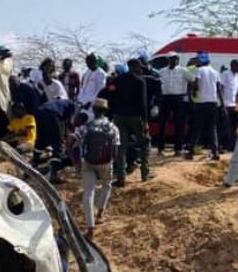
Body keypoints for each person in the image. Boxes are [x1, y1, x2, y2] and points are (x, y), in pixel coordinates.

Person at [74, 98, 120, 240]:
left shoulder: (87, 126)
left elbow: (73, 141)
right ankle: (100, 214)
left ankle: (90, 228)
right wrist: (112, 162)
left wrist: (76, 162)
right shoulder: (112, 127)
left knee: (88, 193)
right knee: (107, 184)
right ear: (106, 110)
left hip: (89, 162)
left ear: (93, 110)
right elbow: (116, 148)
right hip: (106, 162)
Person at [113, 59, 152, 187]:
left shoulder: (118, 80)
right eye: (139, 67)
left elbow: (111, 93)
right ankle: (145, 174)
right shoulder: (140, 81)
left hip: (120, 117)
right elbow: (143, 103)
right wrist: (145, 121)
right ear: (133, 67)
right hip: (135, 117)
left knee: (121, 148)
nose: (141, 69)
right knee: (145, 143)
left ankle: (121, 178)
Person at [186, 52, 223, 160]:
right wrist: (223, 104)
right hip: (213, 102)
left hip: (201, 103)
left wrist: (193, 91)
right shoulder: (215, 72)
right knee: (212, 128)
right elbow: (219, 89)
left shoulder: (199, 71)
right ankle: (215, 152)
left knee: (197, 128)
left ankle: (191, 151)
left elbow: (196, 84)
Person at [34, 98, 76, 183]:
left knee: (40, 140)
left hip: (39, 112)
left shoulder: (59, 103)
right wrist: (70, 135)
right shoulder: (73, 106)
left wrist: (63, 135)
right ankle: (54, 175)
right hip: (51, 114)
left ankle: (33, 166)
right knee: (57, 145)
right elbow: (69, 123)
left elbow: (62, 122)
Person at [157, 53, 190, 155]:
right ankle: (160, 148)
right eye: (173, 59)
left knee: (179, 124)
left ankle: (178, 149)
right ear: (168, 60)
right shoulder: (161, 71)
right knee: (162, 123)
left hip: (179, 98)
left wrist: (188, 95)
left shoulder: (184, 71)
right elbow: (158, 85)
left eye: (177, 59)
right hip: (165, 98)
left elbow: (192, 81)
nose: (175, 61)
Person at [78, 53, 108, 118]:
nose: (88, 65)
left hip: (91, 105)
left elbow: (100, 90)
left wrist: (90, 102)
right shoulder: (87, 72)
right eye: (87, 63)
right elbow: (83, 87)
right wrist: (79, 98)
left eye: (90, 62)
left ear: (95, 62)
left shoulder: (101, 73)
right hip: (82, 102)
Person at [220, 59, 238, 151]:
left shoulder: (236, 76)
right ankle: (224, 146)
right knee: (225, 127)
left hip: (233, 105)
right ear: (233, 65)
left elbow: (234, 91)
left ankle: (231, 146)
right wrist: (222, 105)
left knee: (234, 127)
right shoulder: (225, 74)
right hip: (226, 105)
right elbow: (220, 89)